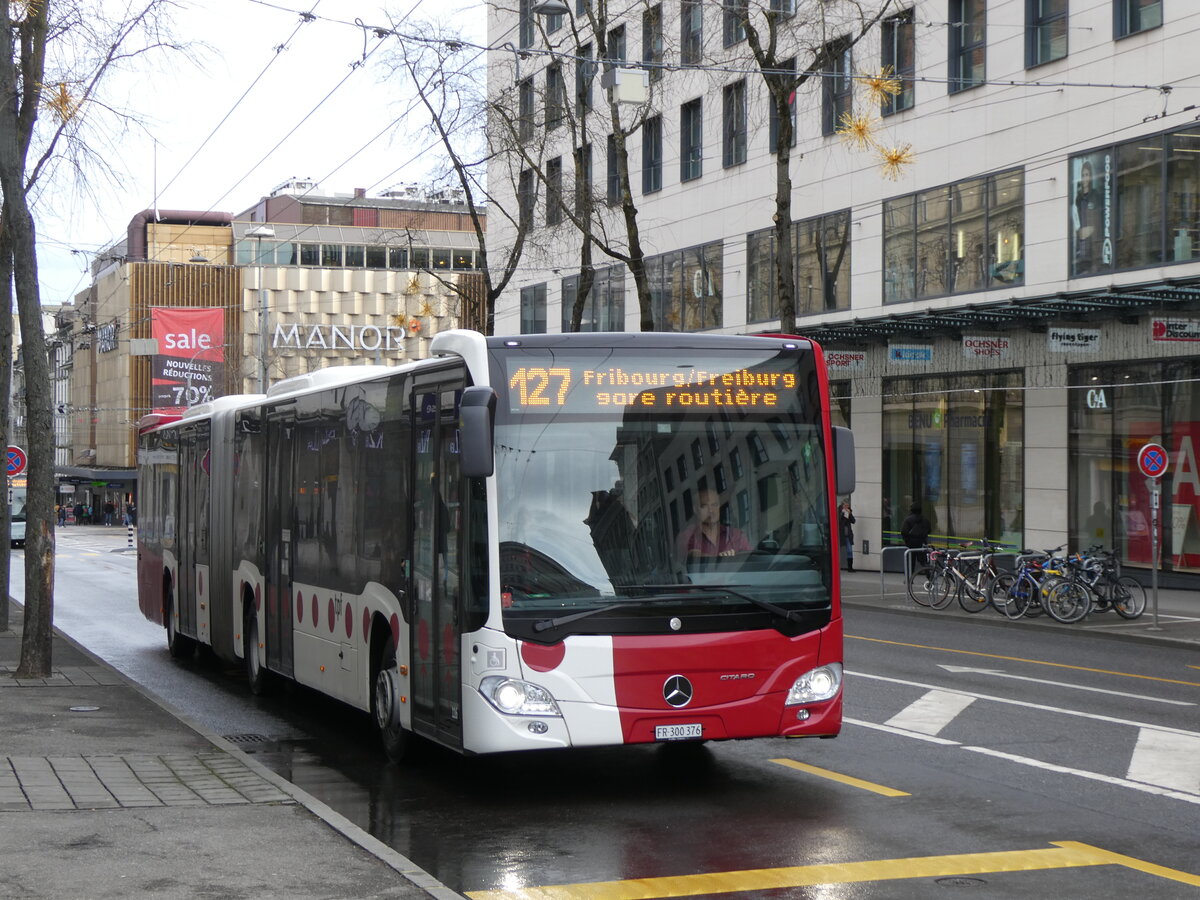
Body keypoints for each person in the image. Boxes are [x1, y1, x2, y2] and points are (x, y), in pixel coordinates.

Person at [680, 488, 751, 561]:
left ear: (719, 507)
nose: (711, 510)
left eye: (714, 505)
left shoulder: (737, 536)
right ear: (695, 509)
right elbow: (689, 558)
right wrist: (719, 559)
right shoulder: (687, 536)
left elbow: (749, 561)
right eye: (704, 506)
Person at [1073, 159, 1102, 275]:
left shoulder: (1096, 196)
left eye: (1087, 175)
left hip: (1093, 250)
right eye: (1083, 175)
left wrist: (1091, 229)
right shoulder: (1077, 199)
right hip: (1081, 250)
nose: (1085, 178)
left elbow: (1098, 223)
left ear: (1091, 176)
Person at [838, 498, 856, 571]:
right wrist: (842, 513)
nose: (847, 507)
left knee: (849, 550)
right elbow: (838, 520)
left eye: (848, 505)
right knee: (837, 550)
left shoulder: (849, 511)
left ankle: (850, 567)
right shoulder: (839, 510)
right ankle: (836, 566)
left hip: (848, 535)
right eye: (845, 505)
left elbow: (853, 521)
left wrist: (850, 514)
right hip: (840, 534)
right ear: (843, 505)